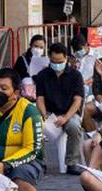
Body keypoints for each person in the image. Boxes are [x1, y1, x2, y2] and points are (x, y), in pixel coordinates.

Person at [34, 42, 86, 174]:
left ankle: (72, 162)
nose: (57, 64)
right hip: (50, 113)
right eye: (53, 61)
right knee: (37, 126)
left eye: (60, 61)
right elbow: (40, 99)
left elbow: (77, 100)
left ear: (66, 59)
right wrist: (44, 114)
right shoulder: (43, 75)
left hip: (69, 113)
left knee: (74, 126)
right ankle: (41, 162)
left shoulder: (75, 76)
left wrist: (66, 117)